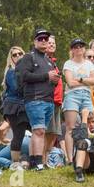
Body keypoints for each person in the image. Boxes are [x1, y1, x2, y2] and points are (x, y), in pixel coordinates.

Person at [13, 28, 60, 170]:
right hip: (35, 99)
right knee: (38, 131)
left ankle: (35, 162)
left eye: (46, 39)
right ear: (35, 41)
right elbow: (23, 76)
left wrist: (55, 80)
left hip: (48, 101)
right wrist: (47, 76)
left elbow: (51, 80)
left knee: (40, 131)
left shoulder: (49, 61)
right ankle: (39, 163)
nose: (44, 41)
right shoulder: (28, 57)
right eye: (40, 39)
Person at [60, 38, 94, 161]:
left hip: (86, 95)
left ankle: (88, 157)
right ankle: (70, 159)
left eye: (81, 46)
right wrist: (86, 80)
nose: (79, 48)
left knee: (91, 124)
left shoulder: (89, 63)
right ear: (72, 50)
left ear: (84, 48)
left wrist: (80, 80)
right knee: (71, 128)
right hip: (72, 95)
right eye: (76, 46)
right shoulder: (68, 63)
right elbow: (70, 83)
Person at [0, 44, 29, 169]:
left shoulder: (26, 70)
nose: (17, 56)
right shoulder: (11, 72)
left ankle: (33, 160)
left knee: (37, 132)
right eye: (14, 55)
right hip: (13, 107)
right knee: (18, 135)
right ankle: (15, 164)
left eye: (20, 53)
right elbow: (18, 89)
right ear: (11, 58)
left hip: (24, 107)